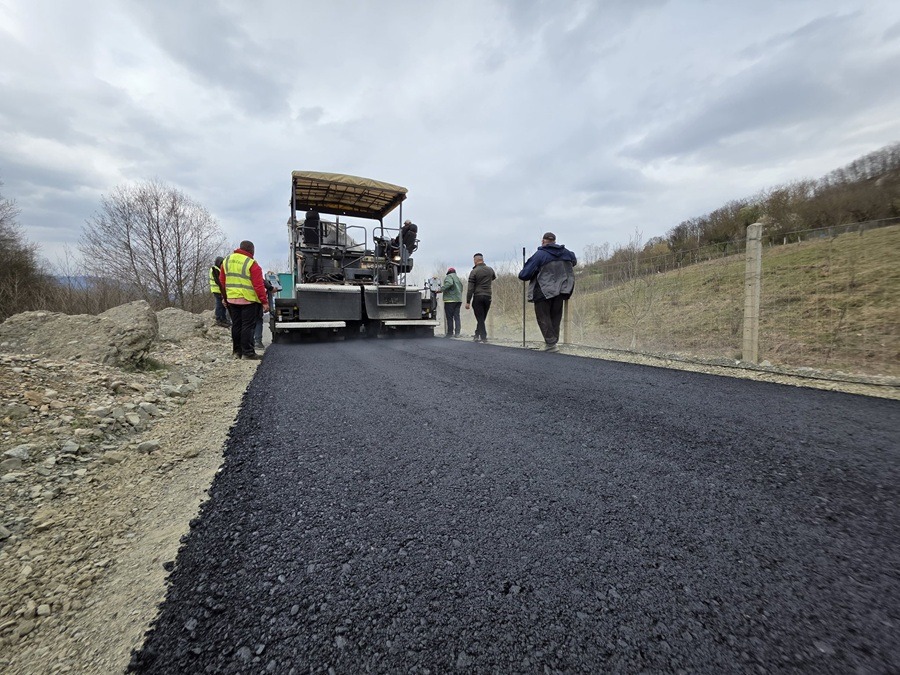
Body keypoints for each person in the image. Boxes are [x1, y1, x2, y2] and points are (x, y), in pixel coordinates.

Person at [518, 232, 577, 353]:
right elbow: (574, 261)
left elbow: (524, 275)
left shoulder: (540, 255)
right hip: (561, 290)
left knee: (543, 317)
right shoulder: (567, 253)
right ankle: (553, 343)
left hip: (543, 290)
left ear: (543, 241)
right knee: (556, 317)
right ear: (554, 241)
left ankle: (551, 344)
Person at [220, 240, 268, 360]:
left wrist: (224, 298)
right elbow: (258, 285)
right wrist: (264, 301)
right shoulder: (251, 263)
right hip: (248, 300)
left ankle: (237, 352)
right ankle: (248, 352)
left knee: (236, 325)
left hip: (232, 299)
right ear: (251, 250)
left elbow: (222, 281)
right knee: (248, 326)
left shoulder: (227, 260)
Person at [465, 253, 496, 342]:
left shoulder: (474, 271)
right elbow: (493, 277)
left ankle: (483, 337)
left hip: (478, 296)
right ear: (482, 259)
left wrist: (468, 301)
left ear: (475, 260)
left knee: (480, 318)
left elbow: (470, 288)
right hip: (488, 296)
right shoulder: (490, 269)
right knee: (482, 318)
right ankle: (476, 335)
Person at [438, 267, 463, 337]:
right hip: (458, 300)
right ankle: (457, 333)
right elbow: (461, 288)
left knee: (449, 317)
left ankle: (450, 333)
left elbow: (449, 283)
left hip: (450, 300)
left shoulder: (449, 276)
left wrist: (441, 289)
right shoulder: (457, 278)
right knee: (457, 317)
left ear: (448, 272)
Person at [210, 256, 229, 327]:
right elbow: (218, 281)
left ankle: (224, 319)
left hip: (219, 290)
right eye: (221, 263)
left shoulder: (218, 269)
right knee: (219, 305)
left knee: (223, 305)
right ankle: (219, 319)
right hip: (217, 290)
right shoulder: (215, 269)